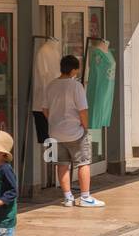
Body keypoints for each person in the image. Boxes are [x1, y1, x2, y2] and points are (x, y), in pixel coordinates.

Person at [43, 54, 104, 208]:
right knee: (83, 163)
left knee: (62, 164)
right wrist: (85, 127)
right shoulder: (76, 86)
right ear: (74, 70)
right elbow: (83, 110)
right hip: (75, 132)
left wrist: (54, 122)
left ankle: (67, 197)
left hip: (55, 133)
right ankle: (85, 197)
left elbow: (45, 109)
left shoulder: (50, 85)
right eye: (77, 69)